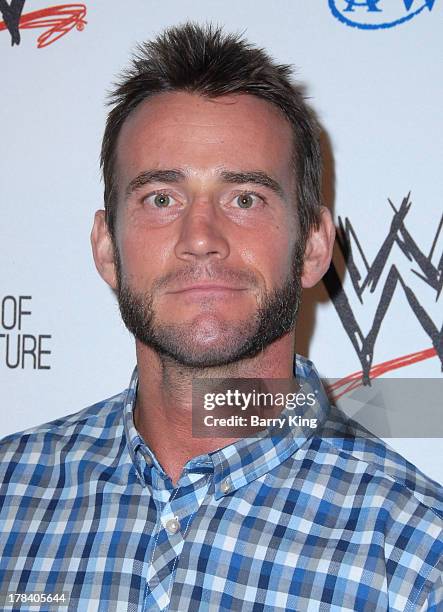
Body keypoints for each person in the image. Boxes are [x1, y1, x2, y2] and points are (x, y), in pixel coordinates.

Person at [1, 22, 442, 612]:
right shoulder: (10, 495)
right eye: (162, 198)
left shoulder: (419, 557)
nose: (201, 238)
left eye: (245, 198)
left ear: (313, 245)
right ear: (107, 248)